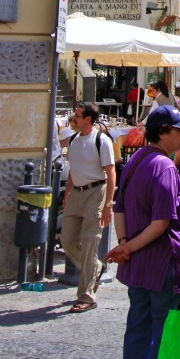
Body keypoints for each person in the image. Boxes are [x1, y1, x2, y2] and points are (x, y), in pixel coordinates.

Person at [105, 106, 180, 358]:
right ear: (163, 132)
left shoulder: (135, 160)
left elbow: (119, 208)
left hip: (137, 264)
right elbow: (160, 223)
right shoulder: (165, 167)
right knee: (165, 333)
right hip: (163, 263)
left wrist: (125, 243)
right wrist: (126, 247)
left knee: (138, 327)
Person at [61, 103, 116, 313]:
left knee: (90, 242)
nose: (73, 119)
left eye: (77, 116)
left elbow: (111, 173)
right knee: (67, 240)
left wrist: (108, 204)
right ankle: (96, 268)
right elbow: (73, 171)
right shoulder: (74, 140)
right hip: (76, 193)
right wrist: (67, 194)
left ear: (88, 120)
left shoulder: (101, 140)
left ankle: (86, 296)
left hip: (96, 191)